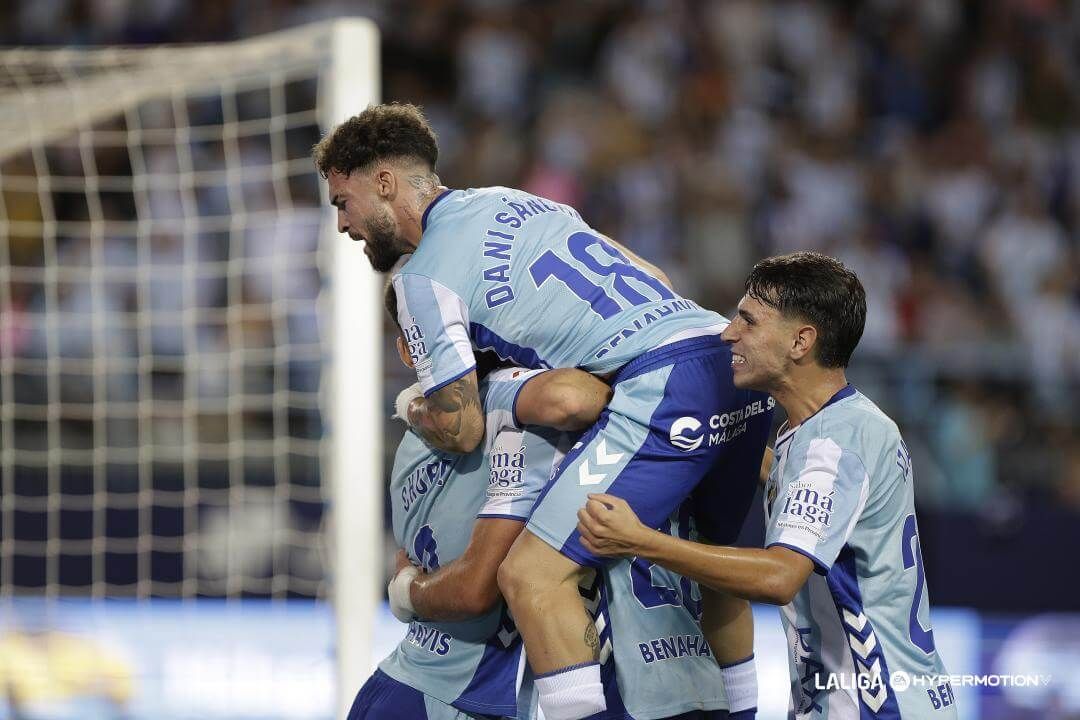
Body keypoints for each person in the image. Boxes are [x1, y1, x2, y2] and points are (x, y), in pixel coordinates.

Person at [313, 103, 772, 720]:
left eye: (343, 201)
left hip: (665, 383)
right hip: (728, 357)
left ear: (384, 183)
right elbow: (652, 273)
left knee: (531, 576)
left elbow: (463, 424)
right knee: (714, 568)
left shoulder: (420, 281)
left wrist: (421, 405)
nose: (343, 223)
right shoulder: (522, 202)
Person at [577, 252, 957, 718]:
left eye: (749, 321)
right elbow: (795, 479)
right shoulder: (828, 428)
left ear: (801, 341)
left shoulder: (835, 443)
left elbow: (779, 576)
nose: (728, 333)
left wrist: (640, 540)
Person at [351, 282, 611, 719]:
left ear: (406, 352)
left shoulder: (412, 440)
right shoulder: (516, 413)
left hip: (408, 685)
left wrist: (406, 591)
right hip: (455, 700)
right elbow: (475, 589)